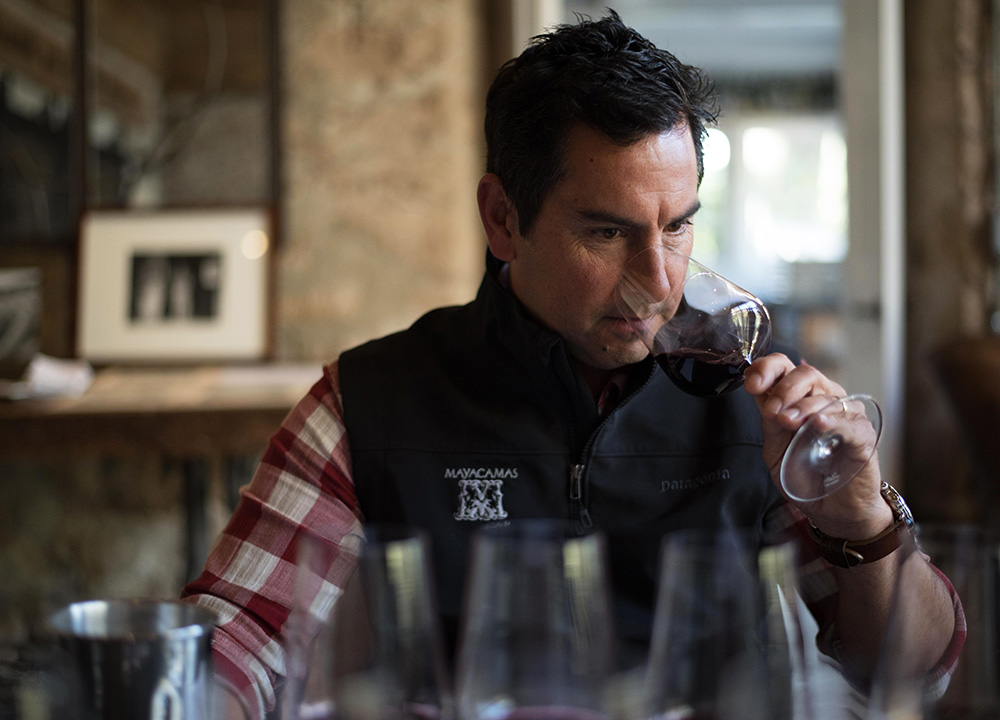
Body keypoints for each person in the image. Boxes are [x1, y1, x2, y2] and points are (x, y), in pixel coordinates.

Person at [182, 10, 964, 719]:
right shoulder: (369, 402)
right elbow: (244, 637)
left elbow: (918, 672)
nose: (660, 283)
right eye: (606, 233)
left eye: (680, 227)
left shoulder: (755, 409)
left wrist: (861, 520)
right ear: (502, 219)